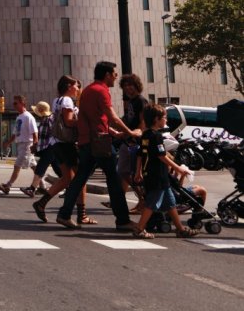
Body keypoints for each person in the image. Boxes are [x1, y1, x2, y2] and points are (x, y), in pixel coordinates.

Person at [55, 61, 141, 231]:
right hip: (99, 142)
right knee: (115, 180)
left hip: (88, 141)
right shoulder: (101, 91)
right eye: (114, 74)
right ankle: (123, 220)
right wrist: (130, 133)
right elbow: (112, 116)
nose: (116, 77)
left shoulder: (87, 90)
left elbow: (93, 118)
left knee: (80, 178)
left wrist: (114, 133)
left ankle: (64, 214)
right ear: (107, 75)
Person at [132, 105, 199, 239]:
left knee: (170, 202)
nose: (166, 120)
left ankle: (180, 229)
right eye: (164, 118)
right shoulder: (157, 136)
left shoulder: (145, 135)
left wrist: (138, 172)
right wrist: (178, 168)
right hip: (157, 175)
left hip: (154, 174)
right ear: (156, 119)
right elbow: (161, 156)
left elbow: (140, 154)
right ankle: (139, 229)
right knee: (152, 203)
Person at [33, 75, 92, 223]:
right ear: (68, 87)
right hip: (65, 143)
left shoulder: (57, 100)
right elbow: (69, 122)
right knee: (80, 178)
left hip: (56, 143)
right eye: (76, 86)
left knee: (67, 179)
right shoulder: (66, 100)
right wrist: (86, 122)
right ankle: (81, 214)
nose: (78, 89)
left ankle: (41, 203)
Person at [0, 95, 38, 195]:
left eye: (16, 103)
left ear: (23, 103)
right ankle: (43, 186)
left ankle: (8, 185)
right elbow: (15, 133)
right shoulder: (19, 117)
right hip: (20, 145)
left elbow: (35, 132)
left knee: (17, 166)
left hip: (27, 144)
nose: (14, 105)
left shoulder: (28, 117)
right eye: (13, 103)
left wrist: (35, 144)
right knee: (34, 167)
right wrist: (8, 143)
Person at [118, 74, 147, 212]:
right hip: (128, 139)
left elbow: (143, 122)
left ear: (137, 86)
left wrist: (136, 137)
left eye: (131, 85)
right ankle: (141, 200)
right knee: (125, 172)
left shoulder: (140, 100)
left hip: (134, 141)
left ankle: (142, 200)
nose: (128, 88)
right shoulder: (131, 101)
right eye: (125, 86)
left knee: (127, 172)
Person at [24, 101, 60, 197]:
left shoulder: (47, 120)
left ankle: (32, 189)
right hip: (51, 147)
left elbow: (47, 135)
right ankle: (71, 188)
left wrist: (36, 145)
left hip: (49, 147)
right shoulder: (48, 119)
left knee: (40, 168)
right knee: (58, 170)